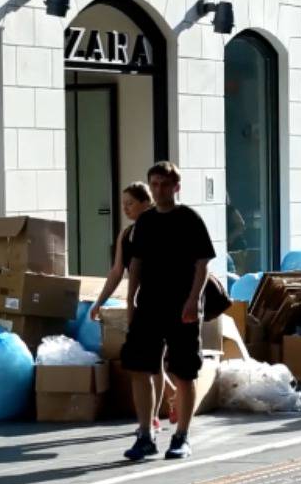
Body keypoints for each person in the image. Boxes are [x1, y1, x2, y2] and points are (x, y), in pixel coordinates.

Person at [121, 162, 215, 461]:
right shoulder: (145, 222)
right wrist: (130, 300)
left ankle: (181, 436)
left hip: (182, 306)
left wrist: (192, 300)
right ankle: (145, 434)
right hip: (149, 304)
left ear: (176, 187)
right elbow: (135, 263)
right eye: (155, 184)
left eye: (165, 184)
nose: (160, 190)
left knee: (184, 371)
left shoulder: (189, 219)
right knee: (139, 367)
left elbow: (202, 265)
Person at [89, 182, 168, 433]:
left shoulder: (163, 227)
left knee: (155, 362)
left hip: (165, 301)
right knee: (146, 362)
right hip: (141, 303)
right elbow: (116, 272)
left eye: (130, 203)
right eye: (122, 205)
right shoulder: (127, 234)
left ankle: (152, 418)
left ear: (147, 202)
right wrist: (99, 302)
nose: (125, 209)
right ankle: (149, 419)